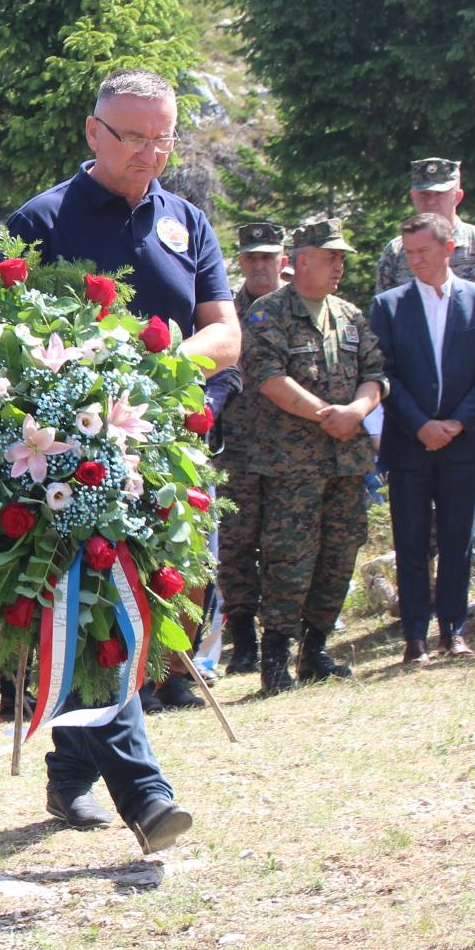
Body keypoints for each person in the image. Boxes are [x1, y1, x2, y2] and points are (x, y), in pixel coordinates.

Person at [5, 68, 240, 853]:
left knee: (159, 613)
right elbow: (15, 342)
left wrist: (157, 365)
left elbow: (225, 333)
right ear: (93, 133)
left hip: (169, 448)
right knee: (103, 608)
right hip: (75, 458)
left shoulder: (186, 221)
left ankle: (71, 767)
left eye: (161, 137)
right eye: (132, 136)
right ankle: (147, 796)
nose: (149, 151)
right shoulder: (42, 220)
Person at [244, 220, 387, 690]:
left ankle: (316, 651)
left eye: (342, 258)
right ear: (302, 260)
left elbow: (375, 374)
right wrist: (329, 415)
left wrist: (357, 411)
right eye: (331, 257)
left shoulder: (349, 315)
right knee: (289, 559)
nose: (340, 266)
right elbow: (269, 378)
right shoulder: (268, 312)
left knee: (339, 555)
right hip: (292, 464)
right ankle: (275, 658)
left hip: (347, 461)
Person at [370, 215, 475, 664]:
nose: (415, 261)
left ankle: (454, 630)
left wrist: (457, 423)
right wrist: (420, 425)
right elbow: (384, 372)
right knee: (410, 542)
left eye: (423, 251)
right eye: (409, 253)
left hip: (464, 443)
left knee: (456, 541)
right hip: (410, 443)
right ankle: (415, 637)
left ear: (449, 249)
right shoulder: (388, 306)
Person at [217, 221, 288, 675]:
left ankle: (284, 637)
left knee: (287, 545)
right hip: (237, 449)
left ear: (283, 260)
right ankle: (243, 641)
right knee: (236, 545)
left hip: (293, 451)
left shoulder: (298, 308)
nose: (260, 265)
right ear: (241, 262)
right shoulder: (224, 314)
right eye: (251, 257)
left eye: (268, 257)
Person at [376, 158, 475, 298]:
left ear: (457, 197)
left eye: (439, 194)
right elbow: (385, 304)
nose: (431, 201)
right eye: (424, 194)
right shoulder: (396, 250)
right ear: (413, 197)